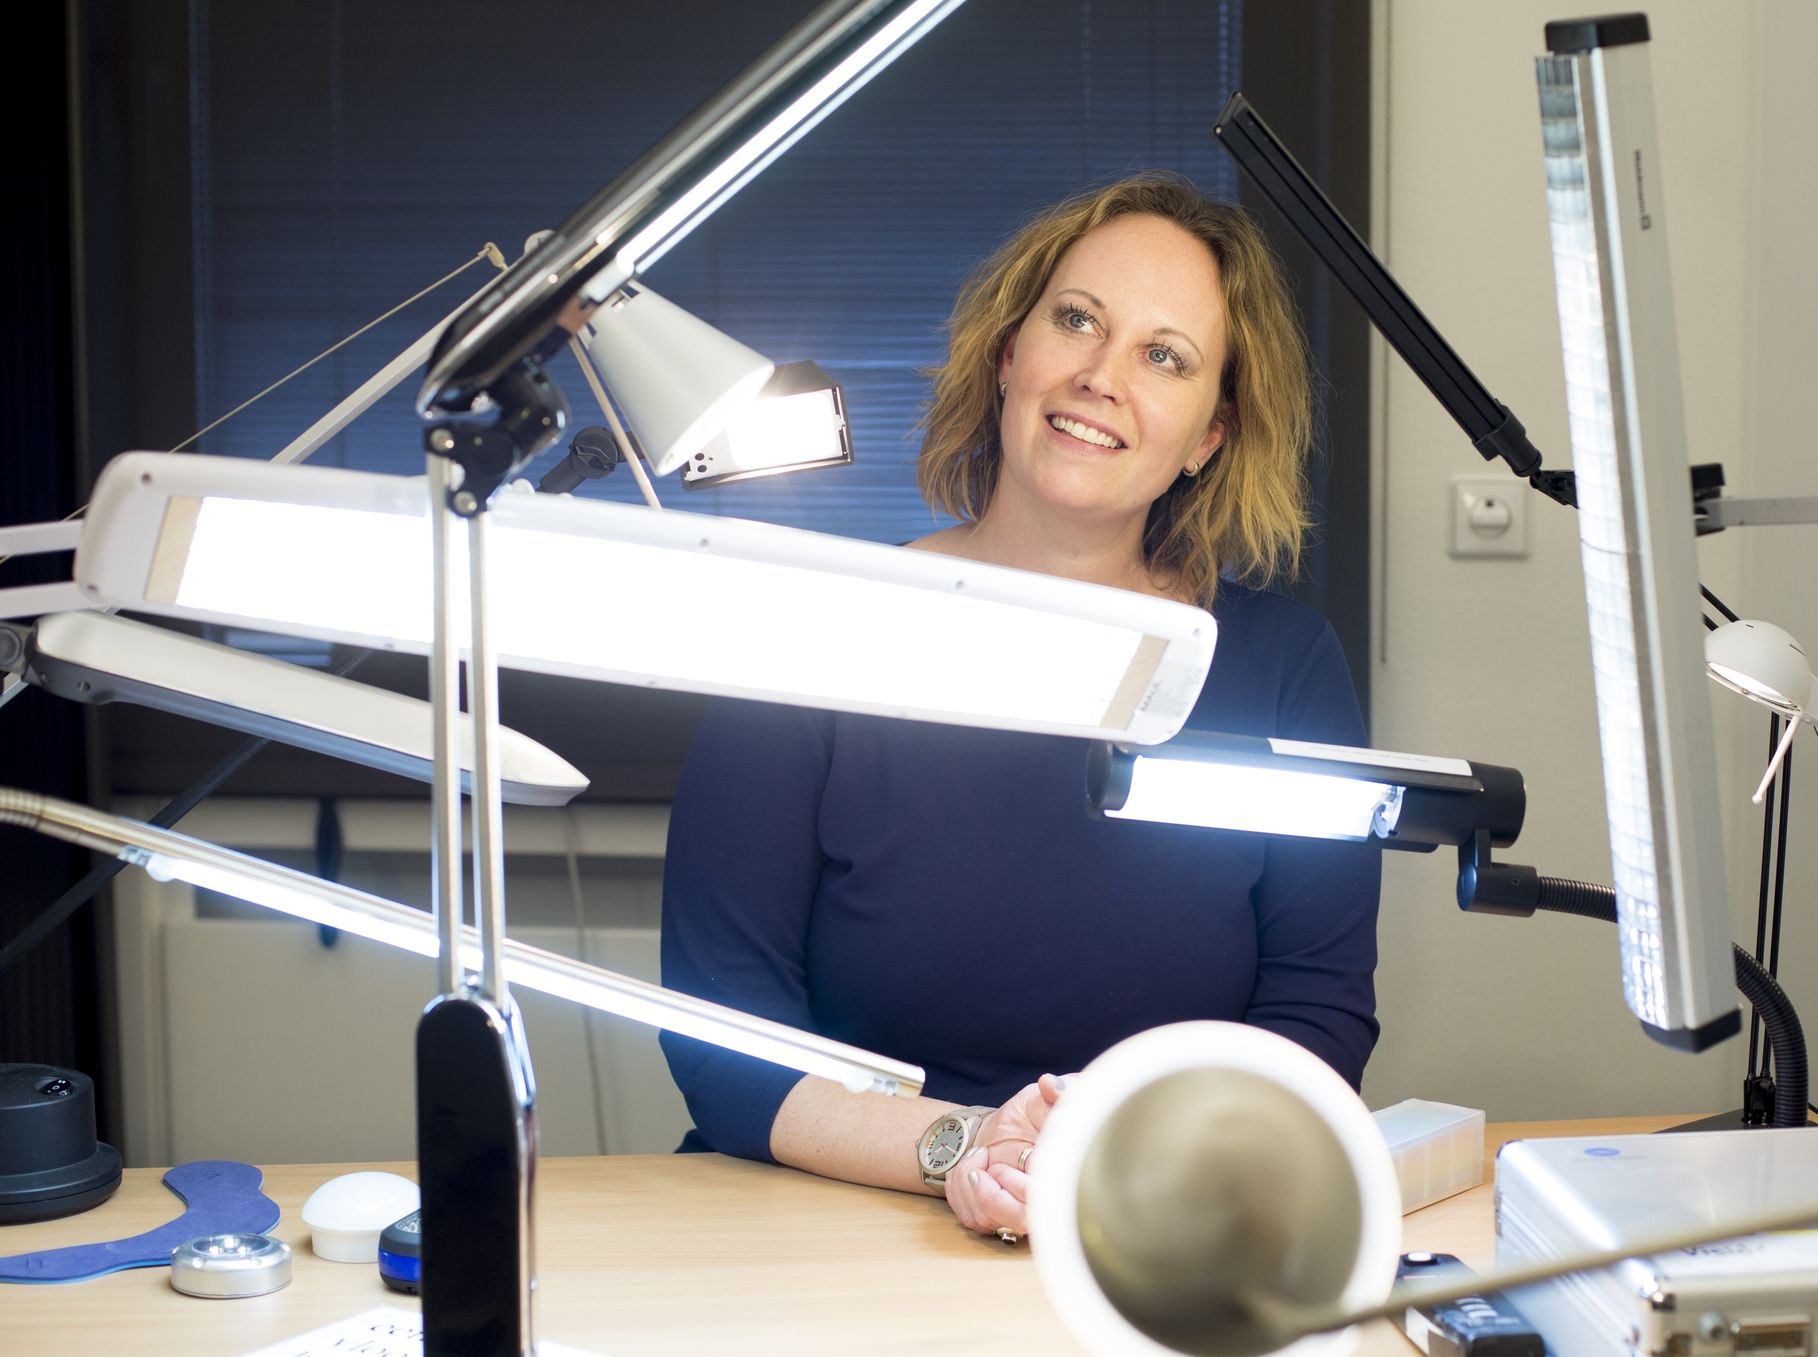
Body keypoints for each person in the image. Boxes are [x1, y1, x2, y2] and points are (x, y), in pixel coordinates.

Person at [658, 172, 1380, 1243]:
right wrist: (963, 1146)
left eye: (1164, 356)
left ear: (1208, 438)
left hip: (1163, 1218)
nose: (1101, 376)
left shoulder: (1284, 667)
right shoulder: (815, 627)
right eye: (1077, 321)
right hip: (828, 1222)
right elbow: (724, 1037)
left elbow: (1316, 1024)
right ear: (1009, 354)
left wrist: (1111, 1159)